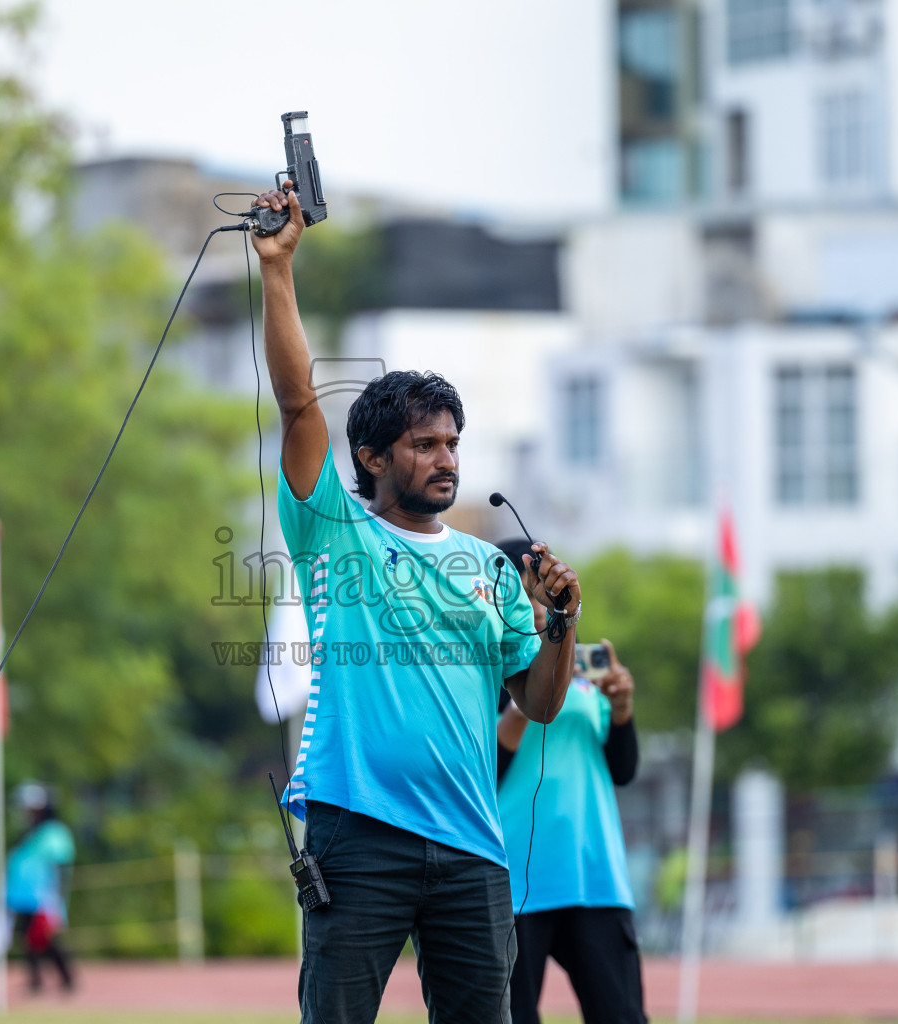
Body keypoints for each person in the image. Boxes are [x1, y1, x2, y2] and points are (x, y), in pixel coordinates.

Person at [251, 183, 584, 1024]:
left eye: (453, 444)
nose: (446, 459)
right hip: (355, 835)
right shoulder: (336, 535)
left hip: (473, 847)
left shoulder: (487, 566)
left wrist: (560, 624)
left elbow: (538, 706)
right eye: (424, 443)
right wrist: (280, 269)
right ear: (372, 455)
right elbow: (297, 405)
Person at [494, 539, 646, 1024]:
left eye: (540, 593)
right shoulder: (484, 671)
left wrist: (621, 711)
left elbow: (623, 770)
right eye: (521, 595)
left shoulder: (580, 678)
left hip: (592, 874)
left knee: (620, 1015)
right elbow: (486, 769)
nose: (535, 605)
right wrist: (532, 698)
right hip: (512, 881)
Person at [5, 784, 75, 993]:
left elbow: (60, 866)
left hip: (43, 896)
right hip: (24, 896)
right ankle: (36, 980)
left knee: (46, 939)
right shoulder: (32, 831)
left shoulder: (53, 832)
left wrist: (56, 897)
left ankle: (66, 977)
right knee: (29, 939)